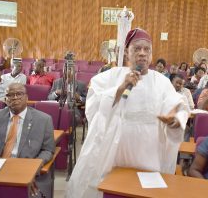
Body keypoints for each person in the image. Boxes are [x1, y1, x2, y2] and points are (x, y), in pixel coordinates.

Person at [66, 28, 189, 198]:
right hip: (114, 150)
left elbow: (177, 105)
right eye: (137, 49)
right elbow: (94, 107)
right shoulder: (110, 77)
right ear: (126, 52)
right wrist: (121, 87)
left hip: (149, 151)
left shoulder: (161, 82)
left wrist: (176, 120)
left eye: (147, 50)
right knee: (112, 188)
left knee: (144, 191)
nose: (142, 54)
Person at [0, 83, 55, 197]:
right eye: (10, 95)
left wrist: (32, 171)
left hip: (28, 169)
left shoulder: (44, 119)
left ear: (27, 97)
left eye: (19, 94)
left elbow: (48, 150)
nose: (15, 97)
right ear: (5, 99)